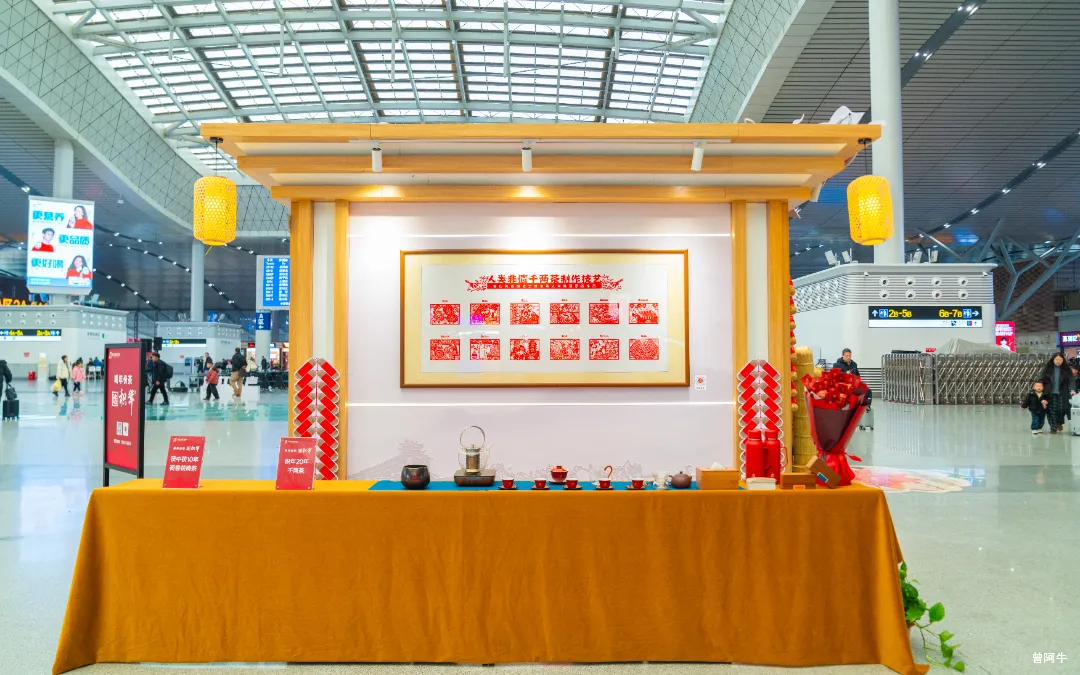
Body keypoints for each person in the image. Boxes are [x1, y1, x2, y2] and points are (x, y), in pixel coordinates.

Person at [1040, 354, 1075, 434]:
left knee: (1061, 410)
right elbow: (1040, 379)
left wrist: (1072, 390)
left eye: (1060, 360)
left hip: (1062, 393)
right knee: (1051, 410)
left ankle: (1059, 422)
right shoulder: (1047, 369)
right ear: (1053, 360)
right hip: (1050, 392)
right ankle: (1053, 427)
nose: (1058, 361)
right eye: (1056, 359)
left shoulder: (1066, 369)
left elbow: (1071, 380)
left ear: (1063, 360)